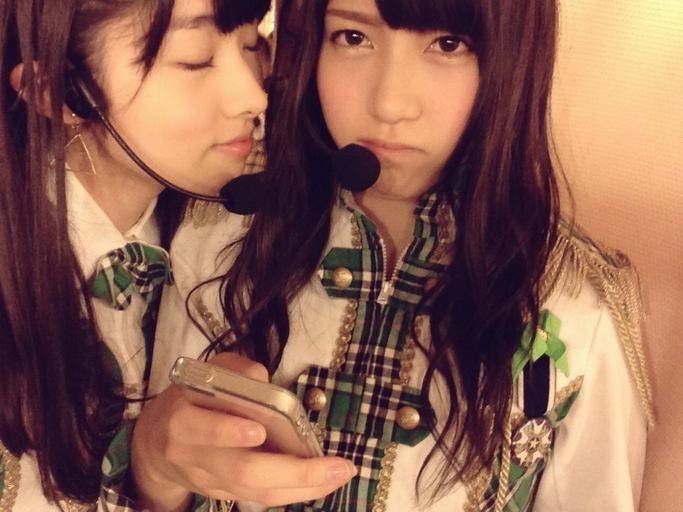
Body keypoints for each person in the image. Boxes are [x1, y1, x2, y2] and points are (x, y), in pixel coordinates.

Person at [143, 0, 655, 510]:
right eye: (352, 38)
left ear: (514, 57)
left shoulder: (574, 300)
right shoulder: (212, 235)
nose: (389, 104)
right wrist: (152, 463)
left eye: (447, 45)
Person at [0, 0, 269, 510]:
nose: (254, 95)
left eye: (252, 44)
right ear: (59, 91)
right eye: (195, 59)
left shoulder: (224, 240)